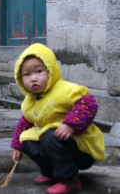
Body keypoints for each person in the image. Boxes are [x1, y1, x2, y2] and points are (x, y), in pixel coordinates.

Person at [10, 43, 106, 194]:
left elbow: (88, 103)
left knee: (50, 136)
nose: (33, 78)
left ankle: (69, 180)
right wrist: (17, 146)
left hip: (81, 149)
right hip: (57, 146)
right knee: (27, 140)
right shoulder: (29, 102)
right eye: (26, 74)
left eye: (39, 71)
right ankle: (51, 173)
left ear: (51, 71)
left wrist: (70, 125)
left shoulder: (65, 90)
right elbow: (25, 123)